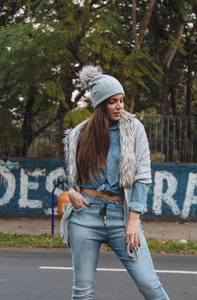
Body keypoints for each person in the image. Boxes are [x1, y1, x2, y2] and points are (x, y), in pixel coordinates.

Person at [60, 65, 169, 300]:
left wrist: (133, 221)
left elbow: (142, 176)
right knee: (82, 292)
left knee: (150, 286)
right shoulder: (79, 134)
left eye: (121, 100)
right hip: (85, 216)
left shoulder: (134, 129)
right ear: (100, 105)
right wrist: (71, 192)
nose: (120, 106)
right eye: (112, 101)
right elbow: (73, 176)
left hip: (123, 217)